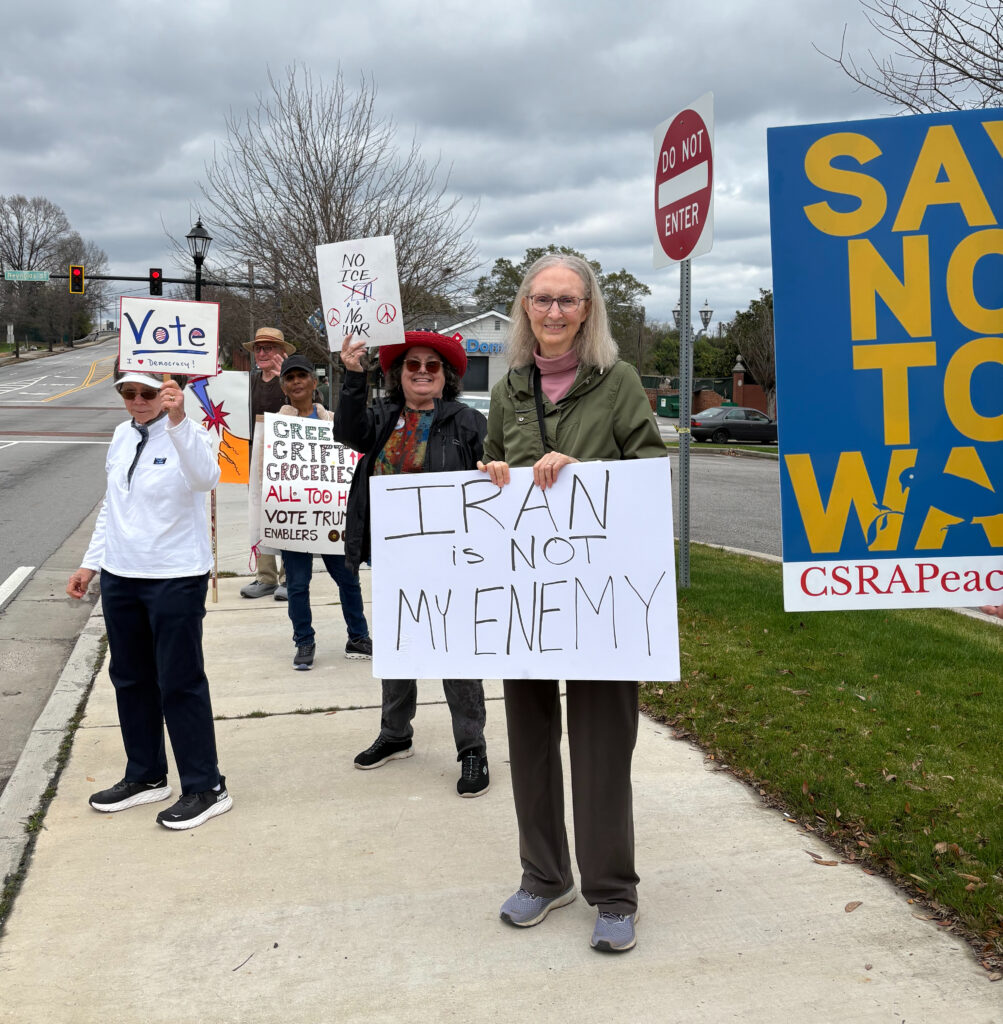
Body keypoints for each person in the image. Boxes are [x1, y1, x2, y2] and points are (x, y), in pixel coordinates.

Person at [477, 252, 667, 951]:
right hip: (525, 596)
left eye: (567, 300)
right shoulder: (508, 388)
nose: (553, 312)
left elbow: (650, 472)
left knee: (600, 748)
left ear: (588, 310)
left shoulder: (618, 382)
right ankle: (543, 875)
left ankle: (612, 893)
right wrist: (491, 473)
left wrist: (587, 475)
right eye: (541, 299)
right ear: (524, 308)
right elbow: (493, 462)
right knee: (528, 742)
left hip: (602, 597)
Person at [67, 367, 232, 831]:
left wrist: (178, 421)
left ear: (166, 393)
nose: (138, 401)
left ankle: (207, 786)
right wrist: (90, 564)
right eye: (129, 393)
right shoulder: (122, 435)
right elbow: (113, 505)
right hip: (121, 575)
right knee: (131, 679)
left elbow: (206, 479)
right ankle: (146, 775)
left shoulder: (191, 433)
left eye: (147, 392)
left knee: (179, 682)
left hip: (174, 576)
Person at [334, 330, 490, 798]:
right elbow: (347, 433)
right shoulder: (380, 417)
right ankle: (395, 733)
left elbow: (494, 476)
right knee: (397, 645)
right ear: (398, 375)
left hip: (452, 557)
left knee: (456, 651)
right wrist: (352, 374)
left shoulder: (468, 422)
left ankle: (472, 748)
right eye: (413, 365)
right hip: (393, 555)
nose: (422, 372)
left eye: (432, 366)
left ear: (447, 376)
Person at [276, 354, 373, 670]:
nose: (296, 382)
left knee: (348, 579)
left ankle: (358, 637)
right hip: (293, 518)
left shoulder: (334, 422)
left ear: (314, 382)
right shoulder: (276, 425)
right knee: (297, 585)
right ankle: (304, 641)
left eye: (301, 376)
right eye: (290, 378)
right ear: (284, 386)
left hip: (330, 516)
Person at [241, 326, 296, 601]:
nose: (262, 353)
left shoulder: (293, 378)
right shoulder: (248, 382)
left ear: (281, 351)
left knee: (285, 515)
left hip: (285, 457)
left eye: (269, 348)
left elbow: (310, 407)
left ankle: (290, 577)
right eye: (259, 348)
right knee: (258, 516)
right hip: (253, 456)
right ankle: (266, 577)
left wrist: (288, 383)